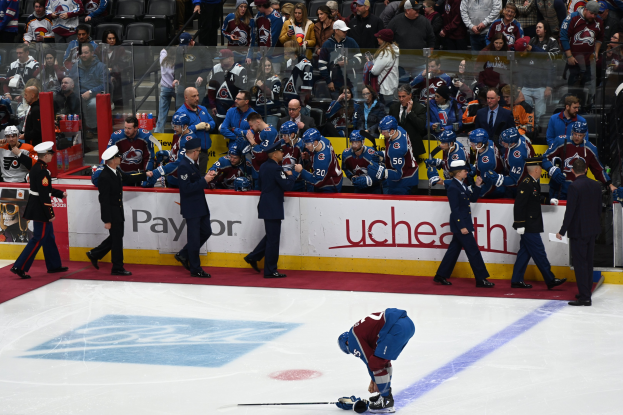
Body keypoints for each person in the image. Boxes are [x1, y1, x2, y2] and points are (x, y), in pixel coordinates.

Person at [336, 308, 415, 414]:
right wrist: (375, 381)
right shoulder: (359, 331)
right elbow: (381, 361)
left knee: (375, 363)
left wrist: (376, 382)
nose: (354, 352)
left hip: (396, 327)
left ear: (346, 344)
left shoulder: (352, 339)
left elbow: (370, 363)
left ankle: (386, 400)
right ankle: (384, 395)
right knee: (382, 360)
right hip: (407, 324)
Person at [86, 145, 150, 276]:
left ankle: (95, 253)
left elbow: (127, 177)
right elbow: (103, 200)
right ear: (112, 159)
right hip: (112, 213)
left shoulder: (116, 171)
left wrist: (144, 174)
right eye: (118, 156)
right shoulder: (104, 176)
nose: (121, 158)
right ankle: (117, 267)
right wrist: (107, 220)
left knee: (116, 237)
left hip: (118, 211)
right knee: (117, 240)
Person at [10, 142, 68, 279]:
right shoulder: (42, 171)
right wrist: (50, 214)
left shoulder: (37, 167)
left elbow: (44, 190)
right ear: (46, 155)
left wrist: (59, 193)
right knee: (38, 238)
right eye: (51, 154)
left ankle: (54, 265)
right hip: (40, 210)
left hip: (37, 206)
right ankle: (19, 266)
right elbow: (43, 195)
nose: (52, 157)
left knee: (48, 238)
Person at [433, 159, 493, 287]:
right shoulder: (454, 187)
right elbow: (455, 209)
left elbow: (472, 198)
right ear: (458, 173)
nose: (467, 172)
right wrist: (462, 226)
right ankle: (481, 279)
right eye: (465, 171)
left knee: (453, 251)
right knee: (473, 251)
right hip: (461, 225)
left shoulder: (461, 184)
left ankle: (440, 275)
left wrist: (477, 185)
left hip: (463, 223)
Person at [244, 140, 299, 278]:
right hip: (273, 206)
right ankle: (270, 270)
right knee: (273, 240)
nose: (282, 154)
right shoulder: (276, 168)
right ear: (275, 154)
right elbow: (287, 186)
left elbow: (261, 184)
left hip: (265, 204)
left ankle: (253, 256)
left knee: (271, 236)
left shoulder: (263, 166)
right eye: (281, 152)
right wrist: (293, 175)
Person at [511, 157, 568, 289]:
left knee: (524, 253)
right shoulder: (526, 183)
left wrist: (548, 200)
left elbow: (535, 198)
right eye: (540, 168)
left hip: (532, 224)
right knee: (539, 252)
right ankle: (550, 279)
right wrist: (519, 224)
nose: (542, 169)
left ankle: (516, 280)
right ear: (536, 169)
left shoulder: (533, 182)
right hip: (528, 226)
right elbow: (519, 205)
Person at [556, 159, 602, 306]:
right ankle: (585, 292)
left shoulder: (574, 187)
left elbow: (570, 212)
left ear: (573, 170)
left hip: (579, 231)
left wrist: (562, 231)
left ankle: (584, 297)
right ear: (586, 169)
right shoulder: (596, 185)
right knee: (588, 263)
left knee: (580, 263)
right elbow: (598, 209)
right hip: (592, 229)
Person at [174, 137, 216, 277]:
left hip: (200, 205)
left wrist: (206, 178)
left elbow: (196, 182)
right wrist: (204, 181)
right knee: (194, 238)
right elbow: (186, 188)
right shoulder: (184, 166)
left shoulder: (192, 163)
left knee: (206, 231)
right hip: (192, 207)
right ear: (195, 152)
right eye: (199, 151)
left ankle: (184, 254)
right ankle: (195, 269)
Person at [542, 121, 613, 200]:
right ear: (572, 132)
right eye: (575, 134)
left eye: (580, 135)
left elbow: (598, 169)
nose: (577, 137)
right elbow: (545, 158)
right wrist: (551, 169)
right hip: (558, 189)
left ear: (584, 135)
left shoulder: (590, 148)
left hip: (579, 190)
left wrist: (609, 183)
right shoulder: (560, 141)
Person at [368, 116, 419, 195]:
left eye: (384, 131)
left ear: (392, 131)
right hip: (409, 169)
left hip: (403, 181)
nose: (382, 133)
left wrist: (383, 172)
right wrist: (383, 154)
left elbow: (398, 175)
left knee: (398, 205)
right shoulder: (398, 129)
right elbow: (392, 152)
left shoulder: (397, 150)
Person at [560, 1, 604, 86]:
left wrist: (596, 52)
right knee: (573, 85)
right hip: (574, 59)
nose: (593, 16)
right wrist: (569, 56)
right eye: (591, 13)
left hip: (589, 60)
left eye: (595, 14)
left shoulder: (598, 21)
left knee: (587, 86)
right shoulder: (572, 18)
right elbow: (563, 37)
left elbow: (600, 38)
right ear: (586, 9)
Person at [483, 127, 535, 196]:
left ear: (512, 142)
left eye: (505, 141)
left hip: (523, 185)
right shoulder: (520, 138)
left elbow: (515, 181)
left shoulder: (517, 157)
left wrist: (499, 179)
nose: (502, 142)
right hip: (521, 171)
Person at [175, 87, 216, 173]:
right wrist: (195, 127)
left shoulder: (202, 109)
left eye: (197, 95)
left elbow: (212, 121)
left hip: (203, 152)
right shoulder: (181, 113)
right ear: (186, 97)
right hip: (189, 153)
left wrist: (209, 125)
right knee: (190, 179)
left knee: (200, 178)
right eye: (193, 96)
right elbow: (179, 132)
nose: (197, 98)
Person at [319, 20, 362, 97]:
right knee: (337, 106)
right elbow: (321, 64)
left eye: (346, 31)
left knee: (353, 106)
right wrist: (328, 81)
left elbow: (359, 59)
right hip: (335, 84)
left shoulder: (351, 42)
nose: (346, 32)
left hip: (351, 83)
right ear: (336, 31)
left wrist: (349, 62)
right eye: (343, 31)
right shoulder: (327, 44)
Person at [205, 48, 248, 126]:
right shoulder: (216, 68)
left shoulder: (240, 70)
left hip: (234, 107)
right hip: (219, 106)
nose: (220, 61)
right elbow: (211, 89)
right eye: (220, 59)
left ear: (230, 59)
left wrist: (234, 106)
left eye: (222, 59)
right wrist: (212, 105)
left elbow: (242, 92)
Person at [175, 33, 212, 112]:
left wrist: (202, 76)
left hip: (198, 82)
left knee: (198, 106)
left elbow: (209, 65)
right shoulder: (180, 49)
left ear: (191, 42)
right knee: (179, 105)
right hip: (184, 81)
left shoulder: (201, 49)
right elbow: (177, 66)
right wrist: (176, 78)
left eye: (186, 45)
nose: (185, 48)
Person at [388, 84, 426, 158]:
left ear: (410, 95)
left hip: (413, 146)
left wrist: (410, 112)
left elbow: (421, 126)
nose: (401, 99)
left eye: (403, 96)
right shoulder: (394, 107)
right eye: (399, 96)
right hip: (396, 145)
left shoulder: (420, 108)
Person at [77, 43, 107, 133]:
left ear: (92, 53)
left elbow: (105, 84)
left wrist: (90, 92)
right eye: (81, 53)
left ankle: (92, 129)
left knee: (93, 104)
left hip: (95, 94)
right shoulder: (76, 66)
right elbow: (72, 80)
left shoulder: (101, 66)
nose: (83, 55)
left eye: (86, 53)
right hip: (79, 94)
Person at [244, 112, 279, 189]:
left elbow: (262, 156)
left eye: (251, 126)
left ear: (258, 122)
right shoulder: (259, 132)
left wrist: (252, 142)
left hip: (265, 174)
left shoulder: (270, 132)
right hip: (257, 173)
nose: (251, 128)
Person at [468, 128, 506, 198]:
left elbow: (489, 186)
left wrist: (476, 193)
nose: (470, 144)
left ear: (479, 145)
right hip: (500, 174)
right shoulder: (489, 142)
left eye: (472, 142)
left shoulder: (485, 163)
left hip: (496, 189)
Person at [370, 29, 400, 107]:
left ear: (384, 40)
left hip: (385, 89)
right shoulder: (393, 49)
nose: (377, 39)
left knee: (384, 111)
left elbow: (375, 71)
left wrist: (370, 64)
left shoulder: (385, 53)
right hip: (391, 85)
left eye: (379, 37)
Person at [282, 41, 314, 112]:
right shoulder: (288, 62)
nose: (284, 51)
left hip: (300, 106)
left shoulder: (306, 64)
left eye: (286, 49)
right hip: (288, 104)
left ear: (291, 49)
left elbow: (307, 87)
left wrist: (302, 104)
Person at [155, 48, 176, 133]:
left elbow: (163, 51)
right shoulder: (177, 63)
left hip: (165, 88)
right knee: (179, 111)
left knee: (162, 113)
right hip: (175, 88)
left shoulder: (163, 59)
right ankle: (177, 131)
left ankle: (158, 132)